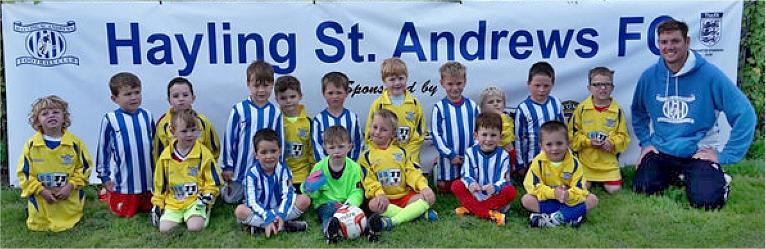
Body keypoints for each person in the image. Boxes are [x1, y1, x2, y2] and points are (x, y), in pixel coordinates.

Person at [631, 19, 756, 209]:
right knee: (641, 188)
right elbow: (638, 111)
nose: (669, 47)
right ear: (658, 44)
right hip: (663, 150)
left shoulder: (710, 75)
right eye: (664, 42)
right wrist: (646, 143)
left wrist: (727, 155)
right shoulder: (649, 76)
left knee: (707, 202)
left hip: (698, 152)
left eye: (675, 41)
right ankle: (682, 176)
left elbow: (745, 115)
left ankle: (718, 179)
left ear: (687, 42)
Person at [17, 95, 93, 232]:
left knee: (70, 216)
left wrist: (71, 186)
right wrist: (41, 191)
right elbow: (24, 173)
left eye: (56, 112)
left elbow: (85, 168)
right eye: (45, 113)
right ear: (37, 121)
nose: (51, 116)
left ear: (64, 117)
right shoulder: (31, 145)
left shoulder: (75, 143)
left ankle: (71, 217)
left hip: (68, 199)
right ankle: (38, 216)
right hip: (43, 200)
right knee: (41, 218)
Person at [301, 125, 383, 244]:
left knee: (357, 217)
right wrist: (309, 188)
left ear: (349, 147)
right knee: (328, 216)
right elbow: (313, 193)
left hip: (348, 203)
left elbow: (357, 191)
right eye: (332, 147)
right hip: (327, 204)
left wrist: (349, 205)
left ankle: (371, 230)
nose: (337, 151)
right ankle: (330, 231)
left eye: (341, 147)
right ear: (325, 148)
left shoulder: (354, 168)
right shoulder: (319, 167)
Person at [362, 109, 437, 231]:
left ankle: (391, 221)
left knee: (428, 198)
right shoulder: (366, 156)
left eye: (383, 129)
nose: (377, 132)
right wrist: (379, 194)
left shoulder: (401, 152)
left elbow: (412, 172)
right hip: (383, 199)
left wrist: (424, 187)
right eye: (374, 127)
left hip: (405, 197)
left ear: (392, 134)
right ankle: (415, 214)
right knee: (372, 205)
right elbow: (368, 180)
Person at [222, 60, 285, 204]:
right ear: (248, 84)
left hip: (265, 168)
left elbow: (280, 140)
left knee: (265, 199)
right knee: (230, 200)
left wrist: (280, 166)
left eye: (266, 85)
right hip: (241, 170)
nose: (261, 90)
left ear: (272, 85)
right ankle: (228, 188)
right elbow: (229, 139)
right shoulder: (239, 109)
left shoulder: (275, 112)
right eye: (256, 86)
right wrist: (228, 166)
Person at [150, 109, 222, 233]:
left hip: (196, 201)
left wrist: (208, 195)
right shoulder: (165, 156)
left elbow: (213, 180)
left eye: (193, 130)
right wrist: (157, 205)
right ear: (173, 132)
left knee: (194, 227)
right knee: (165, 229)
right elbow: (160, 185)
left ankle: (204, 210)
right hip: (173, 202)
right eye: (184, 131)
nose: (189, 135)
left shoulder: (203, 153)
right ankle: (177, 216)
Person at [96, 72, 155, 217]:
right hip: (126, 182)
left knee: (150, 208)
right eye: (128, 94)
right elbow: (104, 149)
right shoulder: (110, 119)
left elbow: (155, 145)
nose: (134, 97)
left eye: (137, 92)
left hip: (150, 181)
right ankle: (108, 194)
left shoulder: (147, 115)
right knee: (124, 212)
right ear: (115, 98)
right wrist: (104, 177)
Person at [234, 129, 311, 238]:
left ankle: (261, 226)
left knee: (304, 200)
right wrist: (268, 217)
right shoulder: (251, 174)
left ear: (279, 152)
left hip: (280, 209)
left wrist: (281, 214)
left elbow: (288, 194)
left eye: (273, 151)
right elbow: (252, 202)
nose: (269, 156)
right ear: (256, 154)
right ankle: (283, 225)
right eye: (264, 152)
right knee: (240, 211)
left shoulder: (284, 170)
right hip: (260, 211)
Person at [521, 121, 598, 228]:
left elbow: (581, 189)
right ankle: (570, 216)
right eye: (549, 144)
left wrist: (567, 195)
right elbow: (532, 186)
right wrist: (553, 194)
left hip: (568, 201)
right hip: (548, 200)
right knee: (526, 199)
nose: (554, 148)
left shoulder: (574, 163)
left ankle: (552, 219)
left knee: (592, 199)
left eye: (559, 143)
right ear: (541, 146)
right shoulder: (538, 162)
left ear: (568, 143)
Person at [568, 67, 630, 194]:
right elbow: (572, 136)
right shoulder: (582, 109)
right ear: (589, 88)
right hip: (586, 163)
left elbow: (623, 136)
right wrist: (588, 142)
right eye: (597, 85)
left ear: (612, 87)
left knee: (614, 190)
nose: (602, 88)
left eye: (606, 84)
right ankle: (588, 178)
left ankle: (609, 178)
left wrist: (612, 143)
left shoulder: (617, 110)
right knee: (582, 188)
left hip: (608, 164)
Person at [451, 113, 517, 226]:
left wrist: (495, 187)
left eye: (493, 135)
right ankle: (490, 214)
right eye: (484, 135)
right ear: (476, 136)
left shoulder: (504, 155)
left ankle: (471, 209)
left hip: (495, 197)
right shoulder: (470, 152)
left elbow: (504, 179)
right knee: (456, 185)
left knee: (510, 191)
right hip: (475, 194)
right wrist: (471, 183)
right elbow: (466, 174)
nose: (488, 139)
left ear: (500, 137)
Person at [364, 57, 426, 165]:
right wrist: (382, 152)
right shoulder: (379, 104)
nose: (397, 83)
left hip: (409, 158)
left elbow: (420, 133)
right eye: (392, 79)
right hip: (385, 158)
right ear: (384, 81)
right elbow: (370, 132)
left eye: (401, 78)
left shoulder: (414, 103)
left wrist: (407, 153)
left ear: (406, 78)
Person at [431, 61, 480, 193]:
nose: (455, 88)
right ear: (442, 83)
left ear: (465, 81)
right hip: (449, 159)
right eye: (450, 84)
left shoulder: (473, 106)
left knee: (469, 186)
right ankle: (439, 171)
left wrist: (472, 152)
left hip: (469, 156)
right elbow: (436, 135)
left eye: (459, 83)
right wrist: (450, 154)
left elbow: (480, 130)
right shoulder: (439, 108)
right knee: (447, 189)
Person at [514, 61, 565, 178]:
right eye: (537, 85)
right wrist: (520, 164)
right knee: (538, 185)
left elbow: (563, 130)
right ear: (529, 84)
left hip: (555, 156)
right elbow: (518, 138)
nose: (541, 90)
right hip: (534, 159)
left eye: (546, 86)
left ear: (552, 84)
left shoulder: (555, 103)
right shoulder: (523, 108)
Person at [154, 77, 220, 163]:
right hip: (174, 173)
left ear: (193, 98)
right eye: (176, 96)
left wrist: (208, 167)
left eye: (185, 95)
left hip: (199, 173)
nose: (181, 99)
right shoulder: (163, 124)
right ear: (169, 100)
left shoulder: (202, 122)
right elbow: (158, 154)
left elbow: (213, 149)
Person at [274, 75, 315, 193]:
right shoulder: (275, 121)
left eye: (292, 96)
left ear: (300, 96)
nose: (288, 101)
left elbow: (311, 150)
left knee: (304, 198)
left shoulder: (308, 122)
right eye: (283, 98)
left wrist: (312, 172)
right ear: (276, 99)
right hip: (281, 174)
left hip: (303, 174)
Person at [310, 72, 363, 162]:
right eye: (330, 93)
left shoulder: (353, 118)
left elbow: (358, 144)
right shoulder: (318, 120)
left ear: (346, 93)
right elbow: (317, 147)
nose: (335, 96)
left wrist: (352, 165)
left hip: (349, 170)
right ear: (323, 94)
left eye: (339, 93)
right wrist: (327, 167)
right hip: (327, 170)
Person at [479, 86, 515, 159]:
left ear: (504, 104)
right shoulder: (481, 121)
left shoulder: (509, 119)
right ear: (483, 107)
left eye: (499, 101)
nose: (496, 104)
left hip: (508, 153)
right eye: (491, 102)